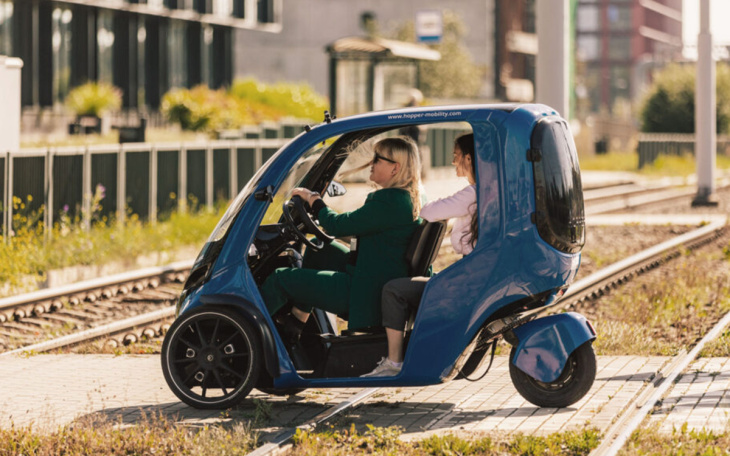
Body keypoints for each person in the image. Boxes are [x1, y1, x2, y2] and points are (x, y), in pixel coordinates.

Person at [260, 137, 423, 345]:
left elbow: (338, 226)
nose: (371, 163)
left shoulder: (390, 201)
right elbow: (352, 225)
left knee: (280, 279)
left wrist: (314, 200)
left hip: (365, 291)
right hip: (375, 273)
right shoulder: (405, 198)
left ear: (395, 168)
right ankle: (296, 325)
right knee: (320, 251)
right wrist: (324, 216)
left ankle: (248, 335)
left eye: (377, 159)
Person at [363, 133, 479, 377]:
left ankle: (394, 363)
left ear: (468, 159)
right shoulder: (480, 192)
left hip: (468, 279)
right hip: (471, 275)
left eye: (456, 156)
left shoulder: (472, 194)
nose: (453, 162)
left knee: (394, 289)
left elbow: (428, 210)